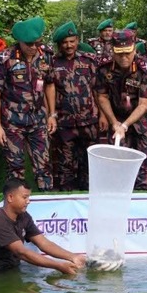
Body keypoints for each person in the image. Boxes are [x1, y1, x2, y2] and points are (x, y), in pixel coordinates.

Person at [0, 16, 57, 191]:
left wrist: (52, 115)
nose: (34, 47)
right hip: (13, 123)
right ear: (19, 41)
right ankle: (16, 213)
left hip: (39, 121)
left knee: (44, 166)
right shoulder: (5, 59)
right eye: (29, 44)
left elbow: (49, 84)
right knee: (15, 168)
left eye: (37, 43)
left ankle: (48, 210)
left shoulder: (46, 56)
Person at [95, 29, 147, 190]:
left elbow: (144, 104)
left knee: (146, 165)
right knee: (118, 163)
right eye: (119, 53)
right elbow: (102, 96)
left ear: (134, 49)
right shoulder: (104, 68)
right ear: (113, 51)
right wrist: (114, 122)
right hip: (118, 116)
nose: (124, 57)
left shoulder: (145, 68)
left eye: (127, 53)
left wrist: (125, 125)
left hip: (145, 119)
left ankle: (145, 202)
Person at [0, 179, 86, 274]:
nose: (28, 201)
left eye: (28, 197)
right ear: (10, 197)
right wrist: (58, 266)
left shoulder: (24, 216)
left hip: (14, 270)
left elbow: (44, 243)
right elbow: (21, 253)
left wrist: (73, 257)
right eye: (24, 197)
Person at [48, 21, 107, 191]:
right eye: (65, 42)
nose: (69, 45)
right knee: (65, 165)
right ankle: (68, 201)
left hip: (89, 121)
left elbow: (98, 90)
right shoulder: (52, 63)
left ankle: (88, 199)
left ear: (77, 40)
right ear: (60, 44)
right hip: (65, 123)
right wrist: (51, 115)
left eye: (72, 41)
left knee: (89, 165)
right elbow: (49, 88)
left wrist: (103, 115)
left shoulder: (89, 60)